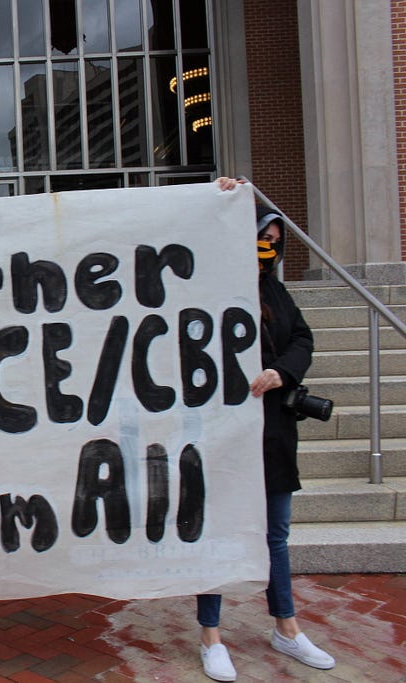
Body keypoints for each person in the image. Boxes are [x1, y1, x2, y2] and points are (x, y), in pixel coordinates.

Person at [196, 178, 336, 681]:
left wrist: (284, 372)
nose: (270, 246)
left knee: (275, 534)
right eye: (262, 236)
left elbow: (302, 336)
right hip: (224, 430)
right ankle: (210, 635)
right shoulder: (211, 281)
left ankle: (287, 627)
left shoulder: (275, 288)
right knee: (216, 533)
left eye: (275, 240)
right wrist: (222, 195)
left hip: (273, 429)